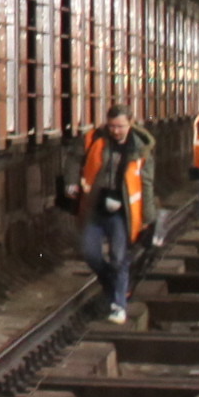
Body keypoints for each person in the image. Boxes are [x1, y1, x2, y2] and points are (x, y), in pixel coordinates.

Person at [74, 106, 140, 322]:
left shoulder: (139, 147)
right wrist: (70, 181)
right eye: (111, 126)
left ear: (130, 122)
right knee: (90, 253)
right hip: (95, 208)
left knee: (119, 258)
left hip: (121, 213)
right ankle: (113, 286)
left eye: (120, 126)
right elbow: (74, 158)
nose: (116, 131)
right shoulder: (95, 139)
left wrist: (149, 218)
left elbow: (145, 183)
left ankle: (119, 305)